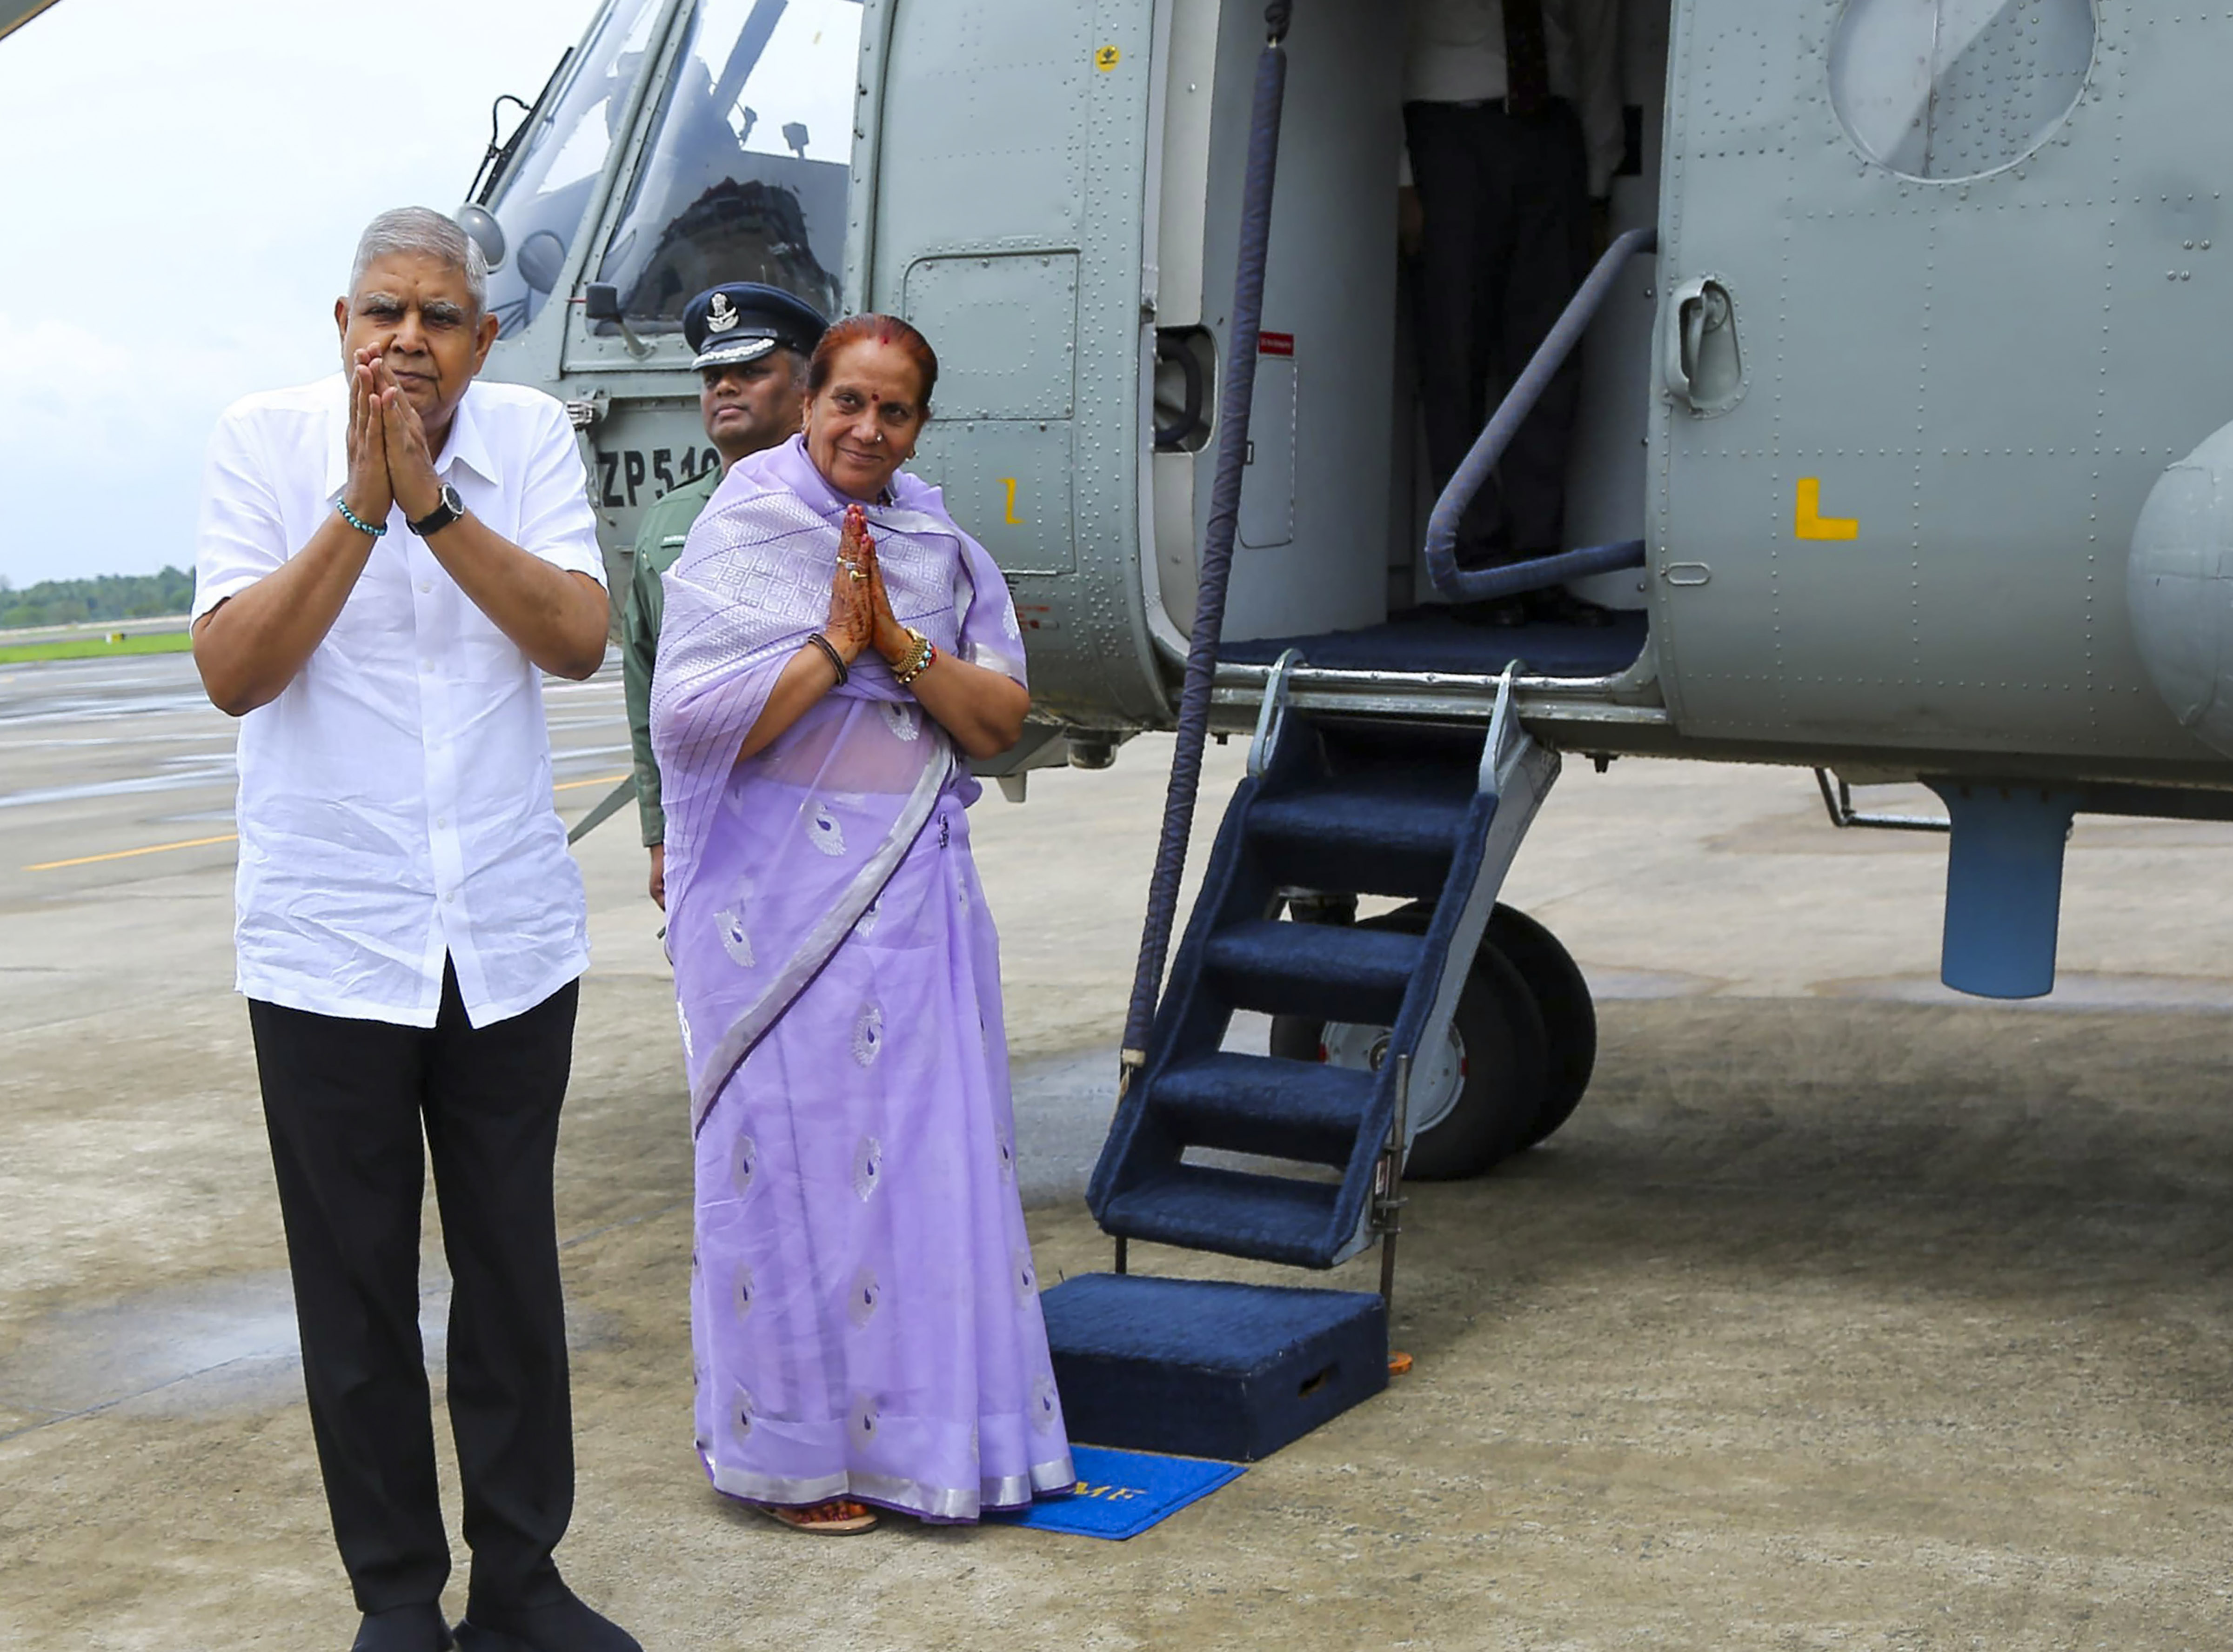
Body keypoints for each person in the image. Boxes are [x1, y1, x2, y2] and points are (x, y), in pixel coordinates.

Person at [189, 207, 637, 1652]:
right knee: (356, 1288)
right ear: (343, 325)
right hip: (330, 940)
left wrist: (436, 507)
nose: (407, 339)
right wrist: (358, 507)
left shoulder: (530, 437)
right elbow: (234, 671)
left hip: (505, 935)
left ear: (484, 338)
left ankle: (522, 1581)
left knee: (511, 1274)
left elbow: (577, 640)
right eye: (383, 311)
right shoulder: (261, 440)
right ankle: (395, 1596)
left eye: (440, 316)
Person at [650, 314, 1074, 1534]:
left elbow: (997, 720)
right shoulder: (745, 528)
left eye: (895, 411)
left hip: (916, 904)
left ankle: (938, 1446)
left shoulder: (941, 549)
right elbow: (691, 721)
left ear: (921, 426)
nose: (867, 429)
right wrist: (838, 648)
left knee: (926, 1172)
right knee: (786, 1177)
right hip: (775, 921)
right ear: (808, 404)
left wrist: (898, 641)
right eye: (848, 402)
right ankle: (794, 1458)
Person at [1402, 0, 1622, 615]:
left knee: (1551, 355)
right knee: (1453, 350)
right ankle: (1475, 562)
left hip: (1553, 130)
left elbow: (1598, 31)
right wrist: (1400, 174)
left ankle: (1537, 563)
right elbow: (1378, 36)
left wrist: (1599, 177)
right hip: (1447, 129)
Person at [624, 283, 828, 910]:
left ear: (806, 392)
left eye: (752, 372)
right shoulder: (667, 522)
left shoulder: (845, 508)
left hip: (827, 813)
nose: (726, 389)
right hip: (711, 822)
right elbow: (647, 685)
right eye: (713, 377)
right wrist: (660, 833)